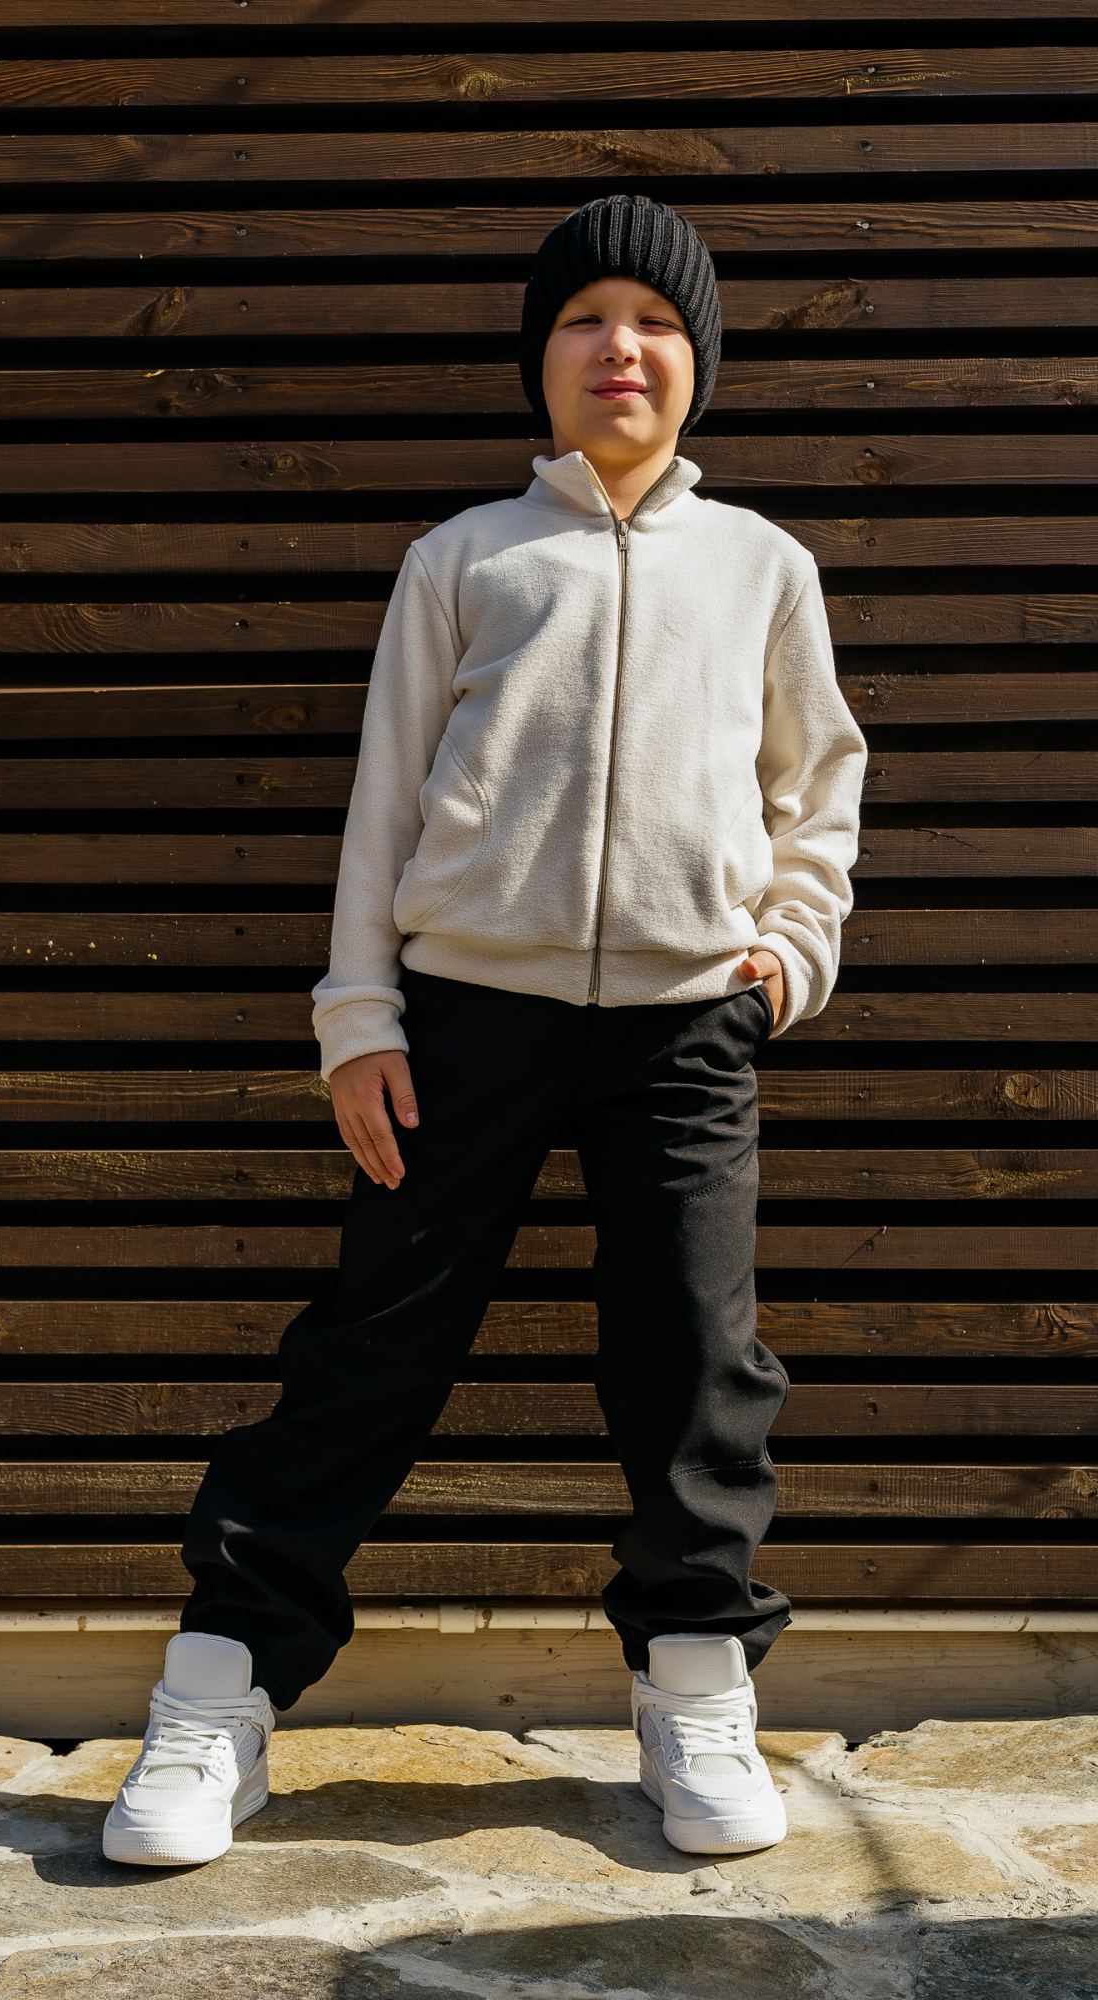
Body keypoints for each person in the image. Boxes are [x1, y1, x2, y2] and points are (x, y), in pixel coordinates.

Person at [103, 193, 868, 1869]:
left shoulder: (761, 567)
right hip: (462, 1022)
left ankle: (693, 1683)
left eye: (653, 322)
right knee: (369, 1353)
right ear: (541, 359)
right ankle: (218, 1693)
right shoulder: (463, 559)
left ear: (696, 362)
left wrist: (786, 958)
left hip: (684, 1028)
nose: (619, 348)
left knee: (696, 1364)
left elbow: (818, 785)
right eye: (585, 319)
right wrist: (356, 1018)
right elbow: (382, 806)